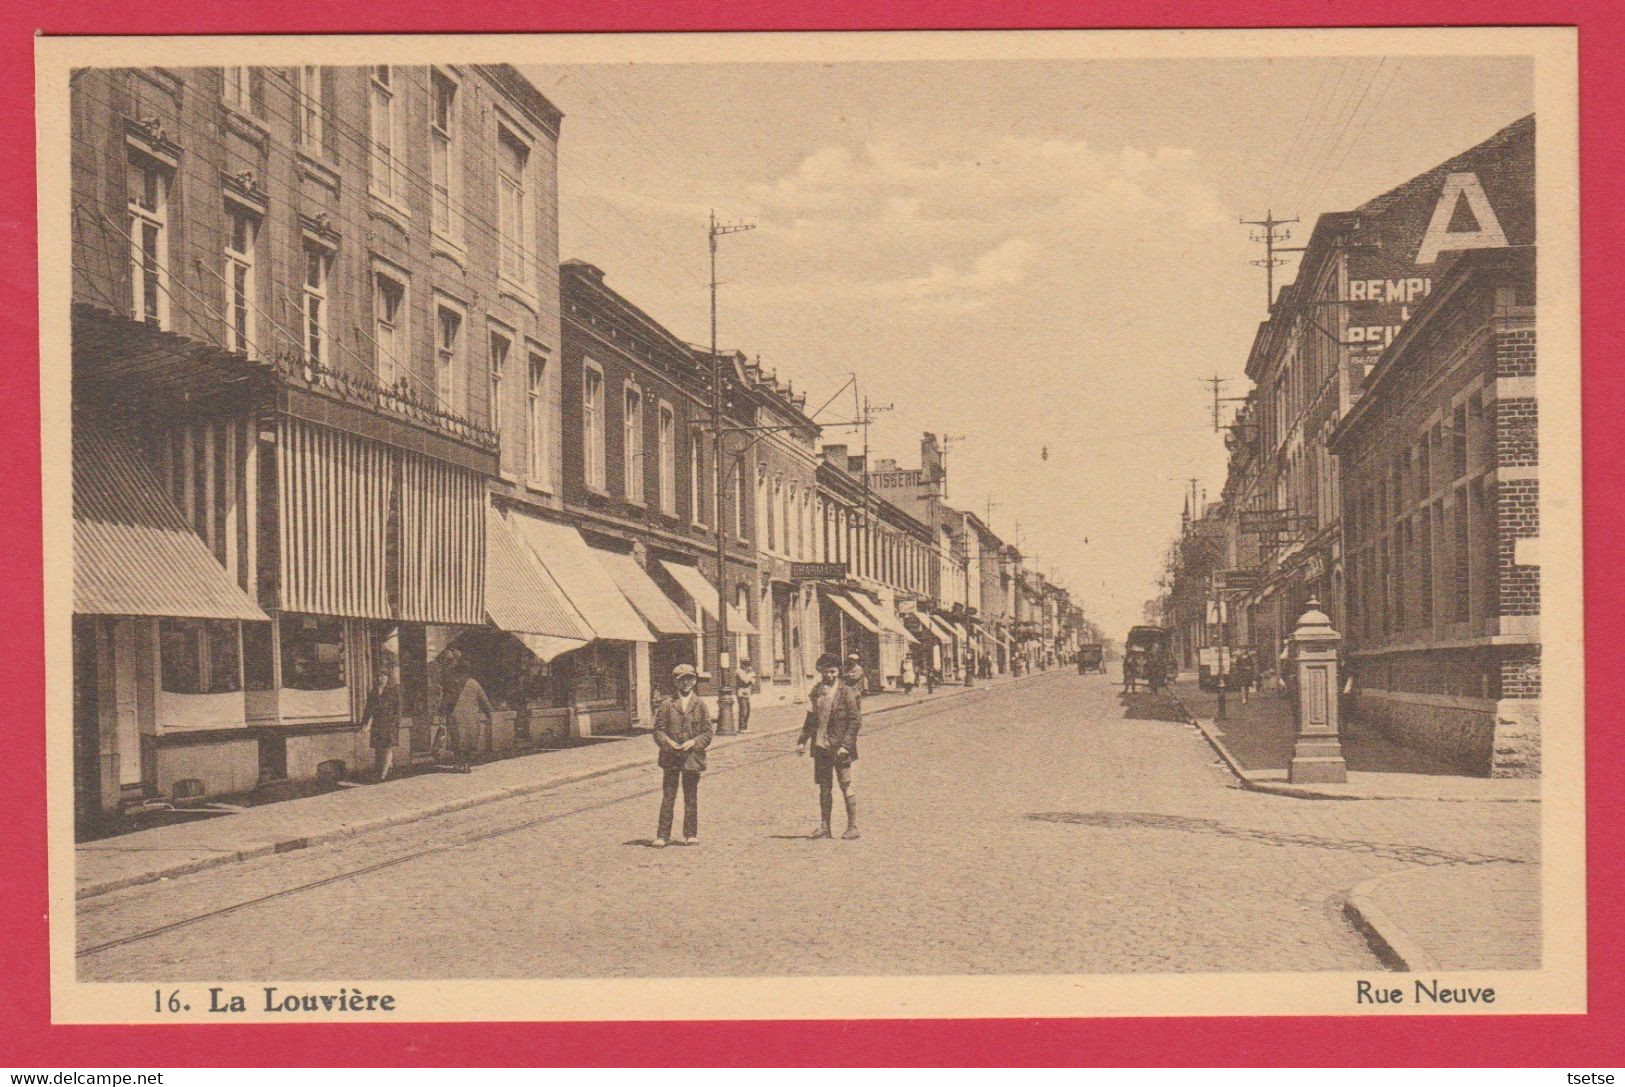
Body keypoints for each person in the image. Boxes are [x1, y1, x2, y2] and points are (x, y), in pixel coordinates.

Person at [798, 653, 863, 839]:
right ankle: (825, 826)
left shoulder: (846, 692)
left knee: (846, 785)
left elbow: (855, 721)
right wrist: (802, 740)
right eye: (826, 672)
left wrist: (846, 745)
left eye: (833, 671)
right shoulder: (816, 691)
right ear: (820, 672)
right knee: (824, 787)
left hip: (840, 749)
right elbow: (810, 719)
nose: (830, 675)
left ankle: (853, 827)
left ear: (838, 671)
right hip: (821, 747)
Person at [651, 663, 712, 847]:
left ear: (694, 681)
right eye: (681, 680)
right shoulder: (667, 705)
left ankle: (690, 834)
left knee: (690, 796)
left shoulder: (700, 705)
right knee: (668, 796)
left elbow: (708, 733)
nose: (686, 683)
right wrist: (668, 743)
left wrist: (693, 742)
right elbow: (658, 731)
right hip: (671, 757)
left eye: (689, 679)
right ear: (675, 682)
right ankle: (663, 835)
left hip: (692, 758)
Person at [445, 663, 492, 774]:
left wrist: (443, 711)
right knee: (469, 741)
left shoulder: (453, 683)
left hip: (456, 717)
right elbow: (484, 700)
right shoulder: (474, 684)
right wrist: (489, 713)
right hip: (471, 717)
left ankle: (457, 764)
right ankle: (466, 764)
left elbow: (446, 700)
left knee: (457, 740)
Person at [359, 664, 401, 782]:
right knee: (378, 749)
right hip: (377, 725)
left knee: (387, 748)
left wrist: (395, 722)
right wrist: (364, 722)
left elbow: (397, 709)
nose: (380, 678)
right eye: (378, 676)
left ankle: (383, 774)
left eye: (383, 676)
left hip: (389, 725)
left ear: (387, 677)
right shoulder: (373, 692)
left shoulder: (392, 692)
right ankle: (385, 769)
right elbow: (368, 709)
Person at [735, 658, 756, 732]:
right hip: (741, 692)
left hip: (747, 693)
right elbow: (745, 680)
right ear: (742, 664)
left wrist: (750, 677)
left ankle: (745, 727)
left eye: (748, 663)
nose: (747, 665)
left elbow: (753, 681)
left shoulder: (747, 671)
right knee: (743, 710)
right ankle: (742, 727)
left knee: (747, 710)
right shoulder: (739, 671)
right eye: (745, 663)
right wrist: (750, 675)